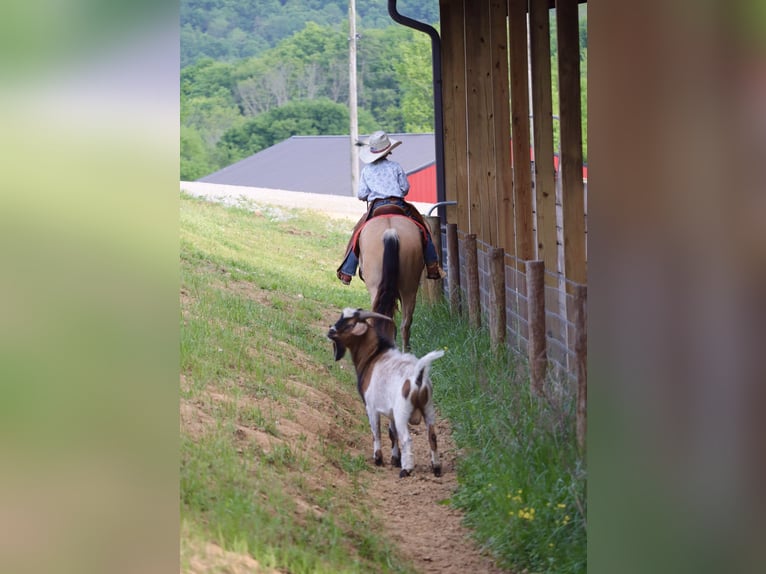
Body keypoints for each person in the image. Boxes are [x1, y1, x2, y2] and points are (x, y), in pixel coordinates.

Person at [336, 130, 445, 285]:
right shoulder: (396, 167)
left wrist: (370, 194)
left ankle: (347, 271)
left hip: (377, 207)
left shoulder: (367, 170)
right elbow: (405, 188)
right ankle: (432, 266)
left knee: (358, 233)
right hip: (398, 205)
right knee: (423, 229)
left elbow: (361, 194)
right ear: (389, 150)